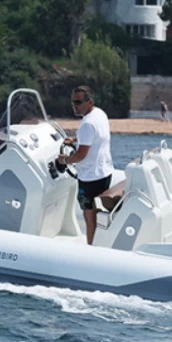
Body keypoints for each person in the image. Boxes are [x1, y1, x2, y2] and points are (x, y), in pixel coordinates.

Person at [57, 86, 114, 245]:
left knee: (90, 218)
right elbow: (94, 136)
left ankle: (90, 250)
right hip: (104, 172)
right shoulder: (99, 114)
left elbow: (81, 156)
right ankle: (97, 245)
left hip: (90, 178)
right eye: (73, 102)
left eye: (78, 102)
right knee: (96, 215)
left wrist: (64, 160)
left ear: (90, 102)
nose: (75, 105)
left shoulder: (87, 124)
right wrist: (75, 140)